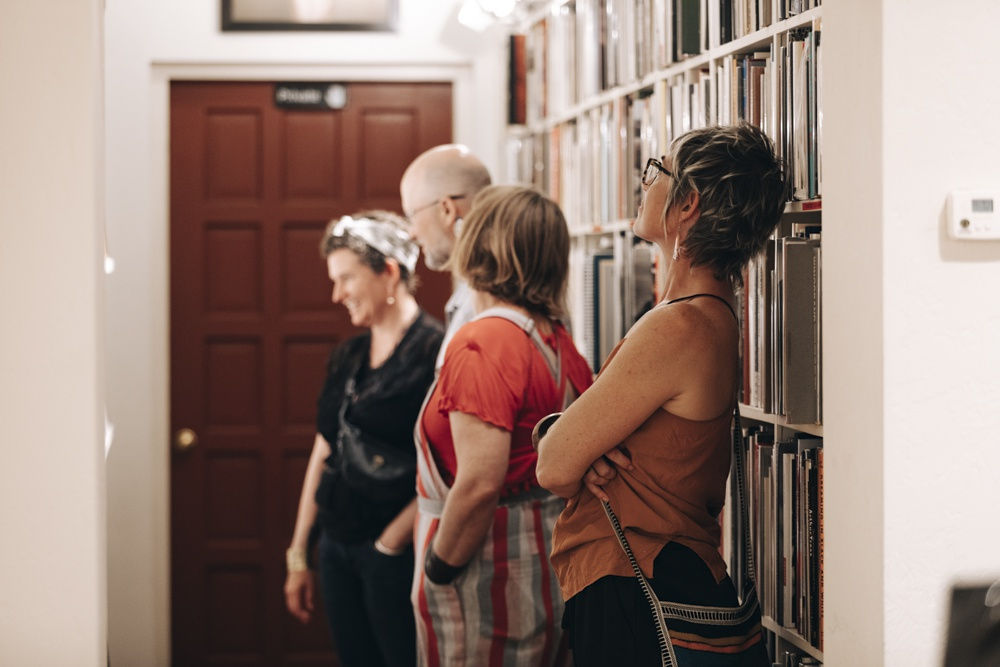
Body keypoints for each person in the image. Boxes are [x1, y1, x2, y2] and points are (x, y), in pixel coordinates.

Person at [536, 123, 788, 666]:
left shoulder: (676, 328)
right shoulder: (713, 316)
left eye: (656, 170)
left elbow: (554, 468)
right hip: (665, 572)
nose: (643, 181)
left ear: (688, 203)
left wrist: (574, 446)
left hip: (634, 585)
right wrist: (581, 442)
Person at [411, 186, 594, 666]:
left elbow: (478, 483)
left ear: (481, 245)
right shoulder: (558, 342)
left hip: (487, 565)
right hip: (546, 559)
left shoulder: (484, 341)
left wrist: (438, 567)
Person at [284, 211, 444, 667]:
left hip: (399, 554)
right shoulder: (348, 356)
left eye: (347, 279)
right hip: (337, 547)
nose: (337, 295)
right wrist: (299, 554)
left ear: (388, 272)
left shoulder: (437, 351)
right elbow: (325, 451)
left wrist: (389, 545)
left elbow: (451, 466)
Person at [399, 144, 492, 367]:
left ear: (447, 210)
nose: (411, 233)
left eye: (411, 215)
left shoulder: (488, 303)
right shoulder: (475, 291)